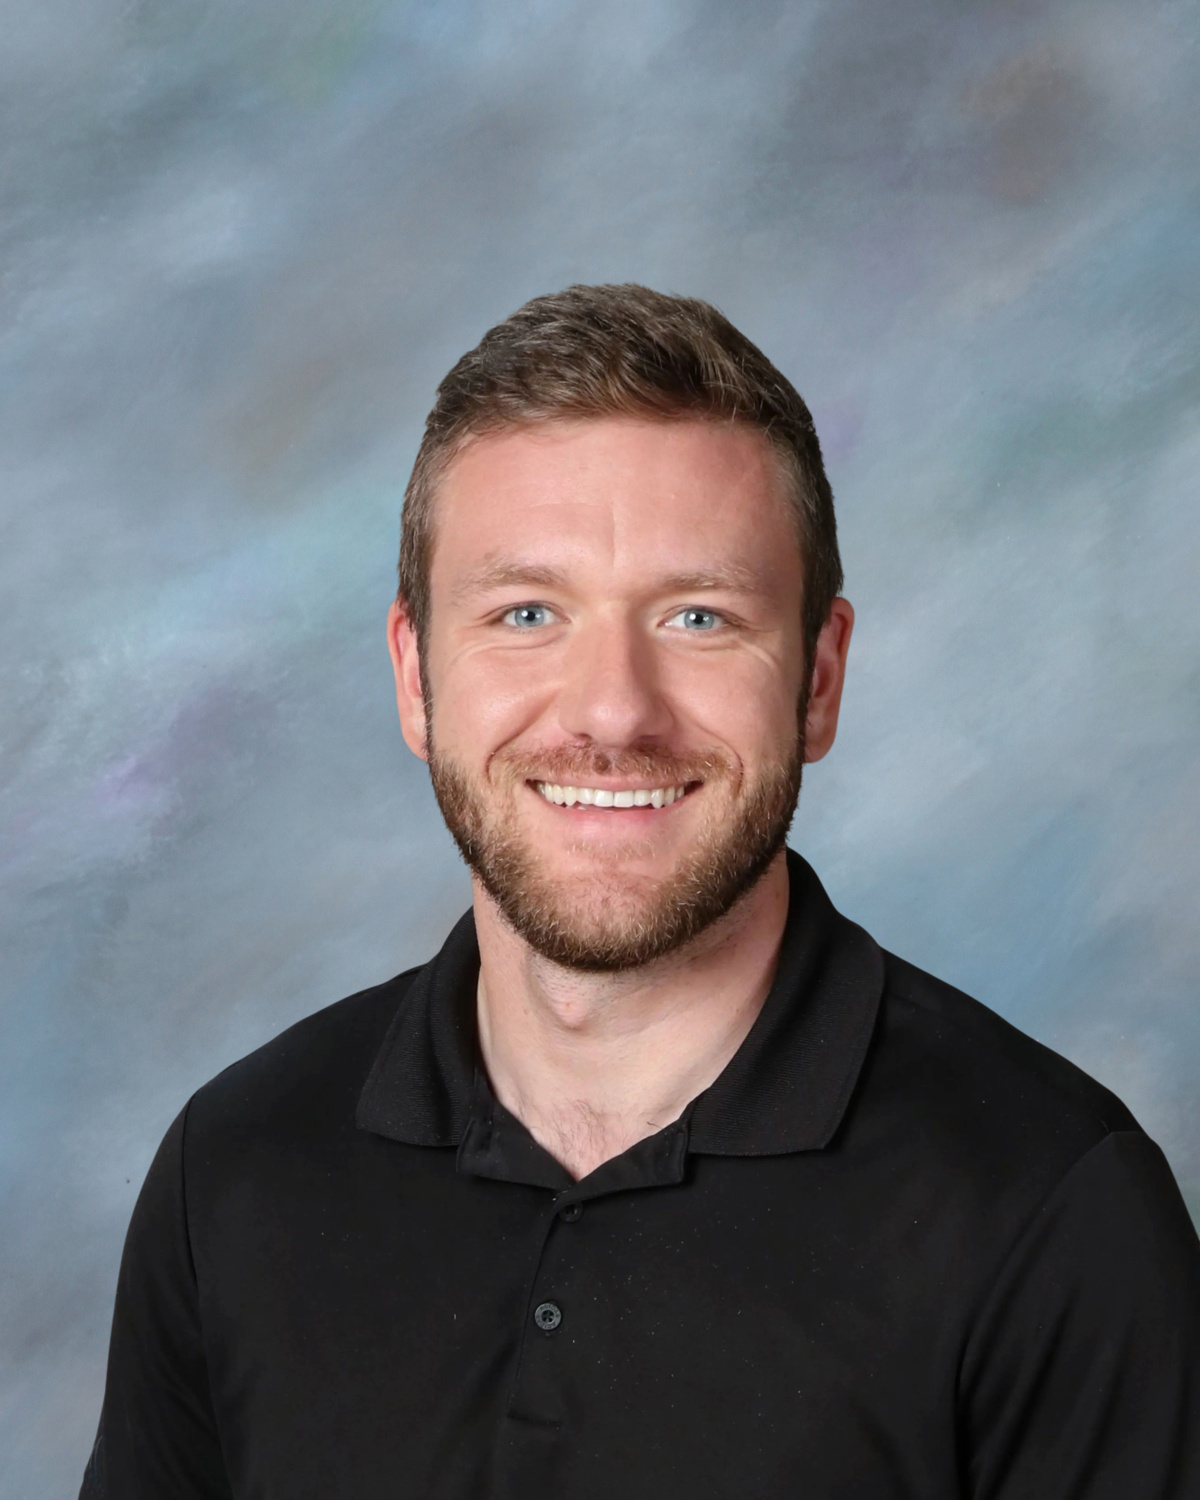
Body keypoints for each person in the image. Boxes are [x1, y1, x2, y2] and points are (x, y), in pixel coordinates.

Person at [81, 284, 1200, 1499]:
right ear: (414, 676)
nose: (613, 710)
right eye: (526, 613)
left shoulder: (1052, 1210)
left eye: (698, 616)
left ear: (819, 681)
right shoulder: (235, 1172)